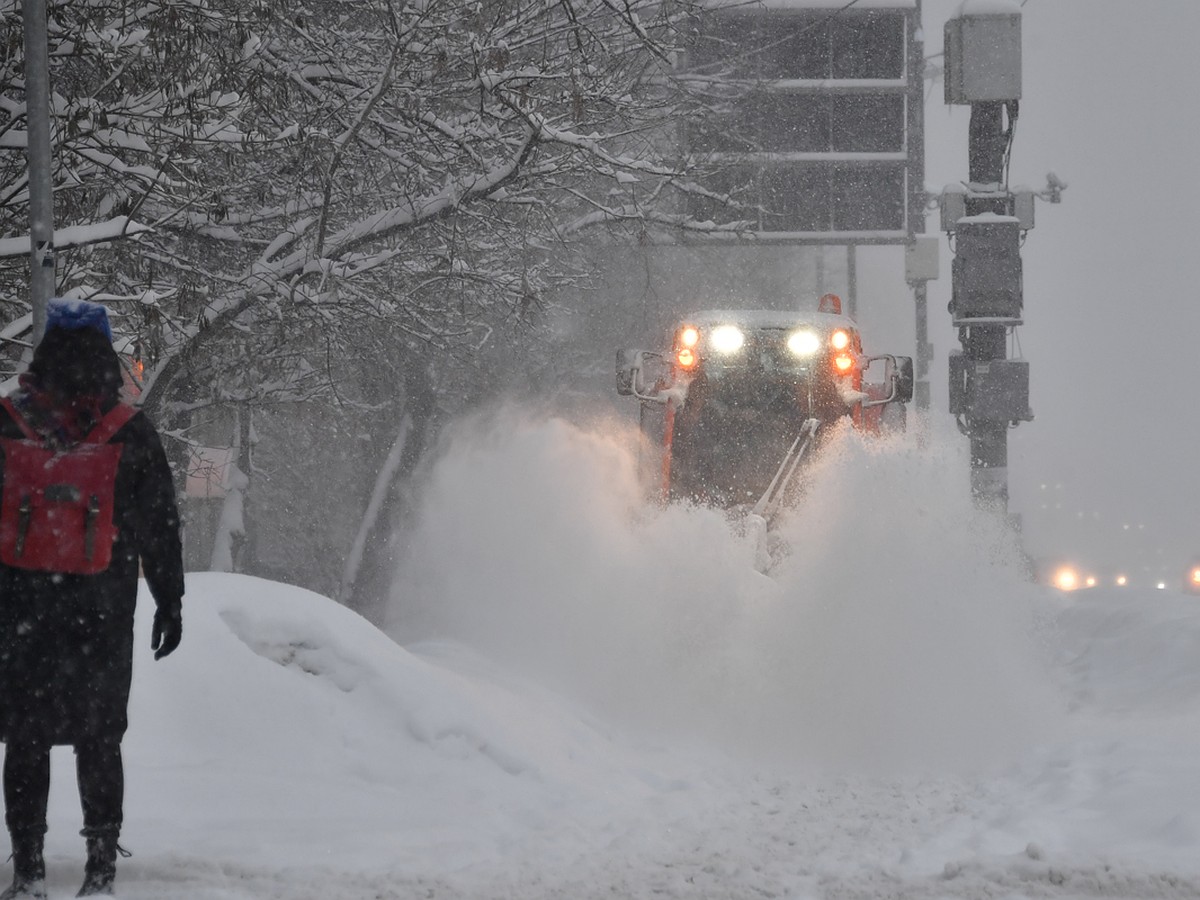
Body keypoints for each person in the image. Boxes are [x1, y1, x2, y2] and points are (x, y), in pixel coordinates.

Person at [0, 299, 184, 898]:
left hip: (20, 607)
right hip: (101, 611)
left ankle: (27, 867)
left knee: (26, 737)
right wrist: (169, 599)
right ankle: (99, 868)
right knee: (98, 737)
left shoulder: (7, 422)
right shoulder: (129, 430)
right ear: (107, 357)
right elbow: (159, 524)